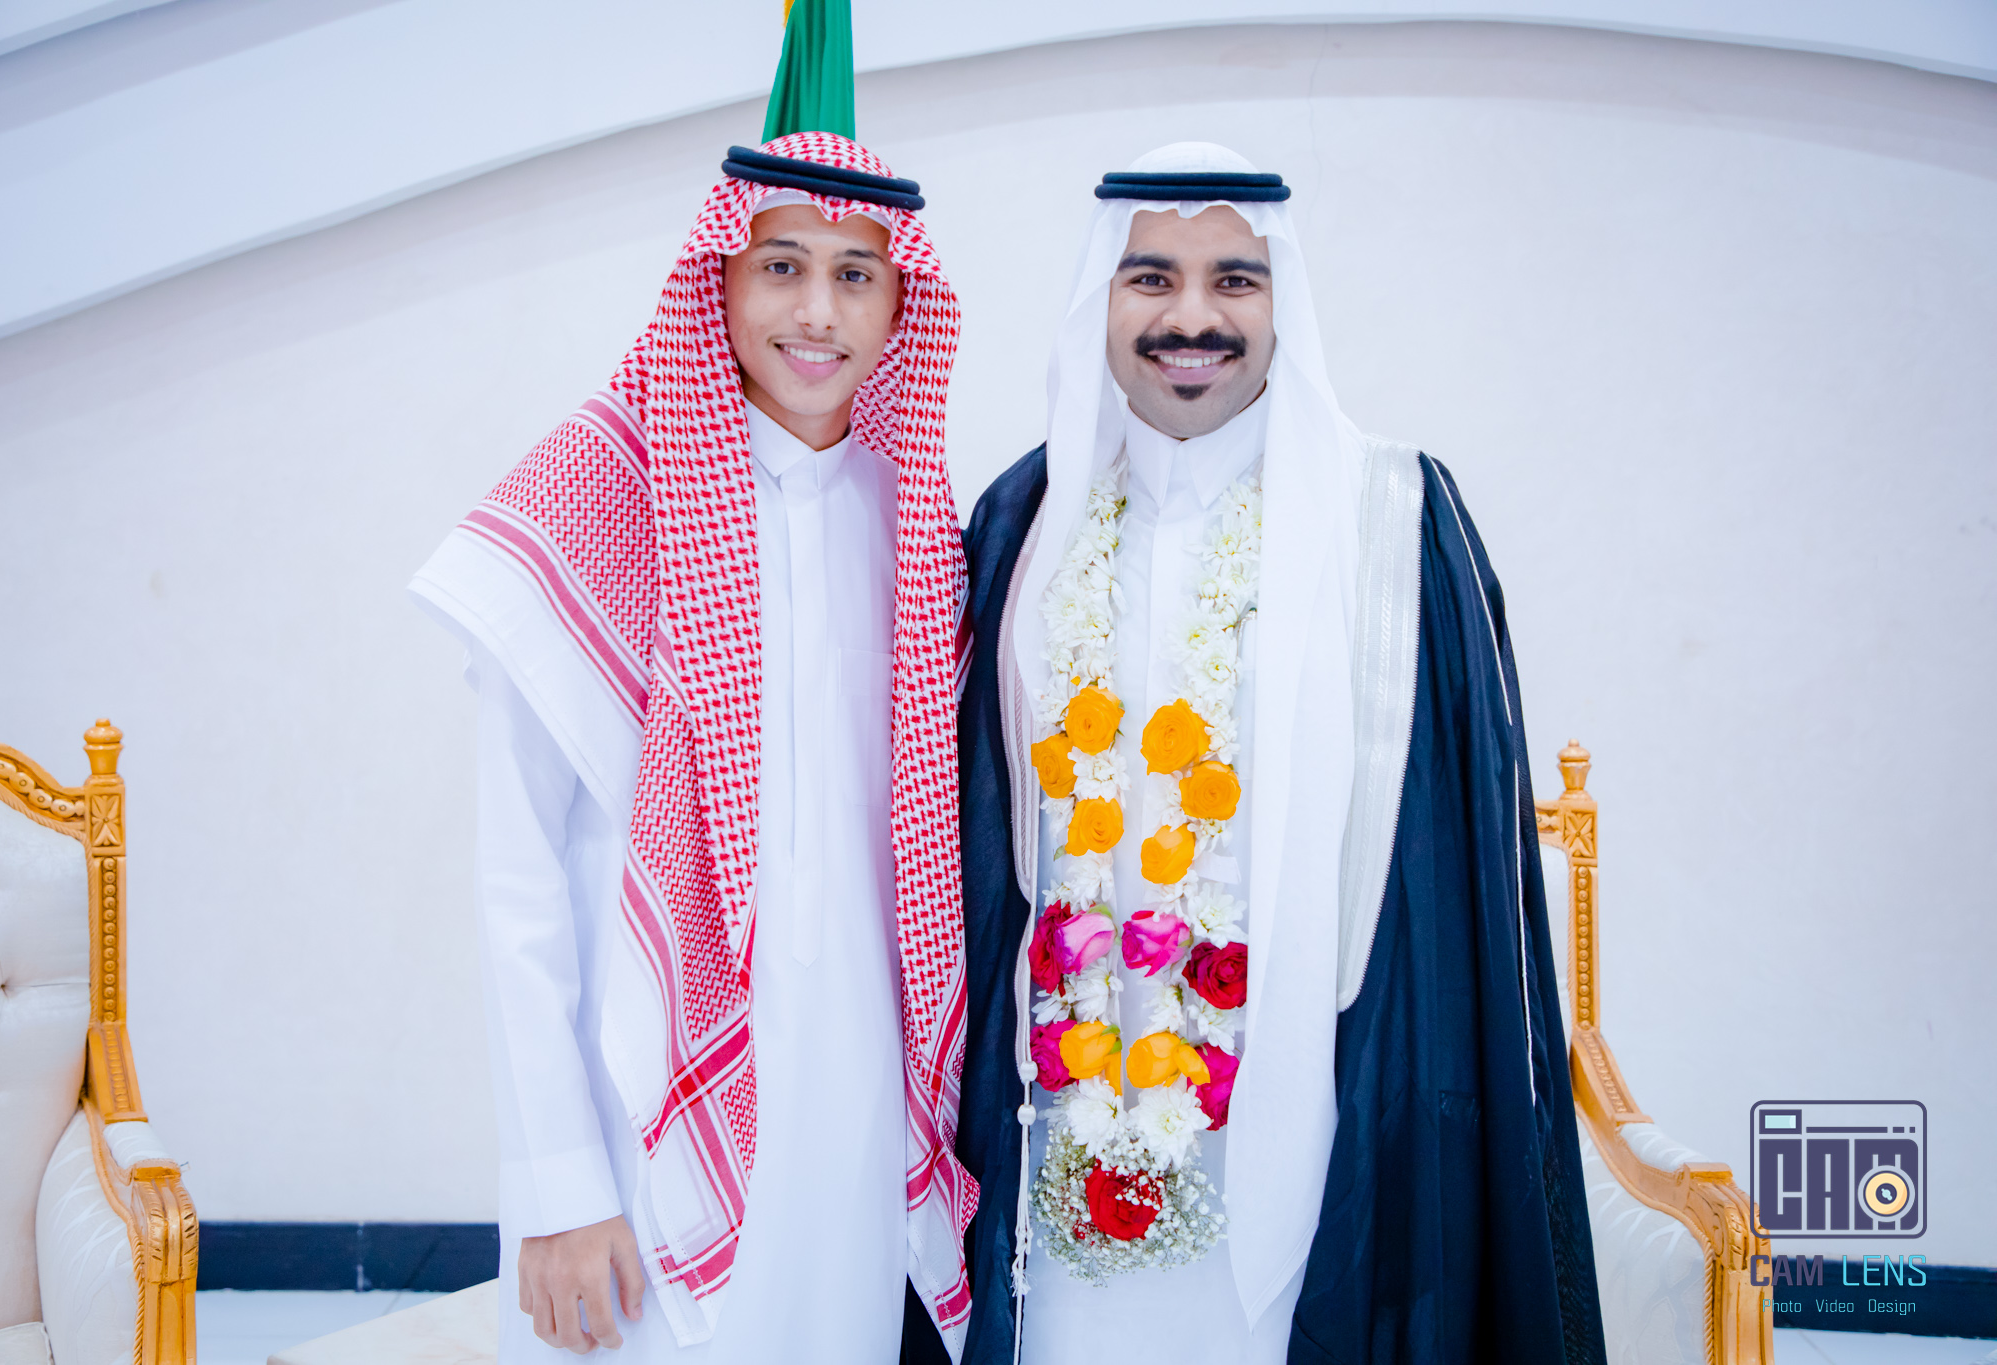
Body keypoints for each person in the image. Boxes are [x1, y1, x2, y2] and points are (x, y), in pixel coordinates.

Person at [940, 143, 1605, 1365]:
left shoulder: (1390, 523)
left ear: (1280, 299)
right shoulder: (1024, 522)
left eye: (1232, 281)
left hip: (1308, 1110)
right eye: (1151, 277)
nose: (1190, 317)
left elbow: (1452, 872)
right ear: (1100, 298)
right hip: (1061, 1117)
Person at [410, 135, 976, 1363]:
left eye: (855, 274)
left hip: (849, 1118)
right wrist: (559, 1186)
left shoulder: (915, 524)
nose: (816, 312)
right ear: (716, 278)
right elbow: (517, 879)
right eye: (780, 265)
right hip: (633, 1119)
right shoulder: (591, 505)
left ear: (901, 304)